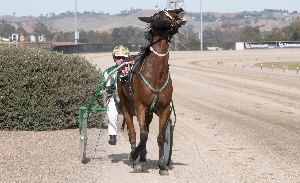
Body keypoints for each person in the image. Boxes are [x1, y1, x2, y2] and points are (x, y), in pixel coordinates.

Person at [101, 45, 130, 145]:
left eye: (123, 58)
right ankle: (112, 136)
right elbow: (102, 91)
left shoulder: (132, 71)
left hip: (130, 99)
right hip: (114, 98)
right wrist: (108, 90)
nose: (121, 60)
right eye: (118, 58)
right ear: (114, 59)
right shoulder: (108, 72)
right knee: (112, 104)